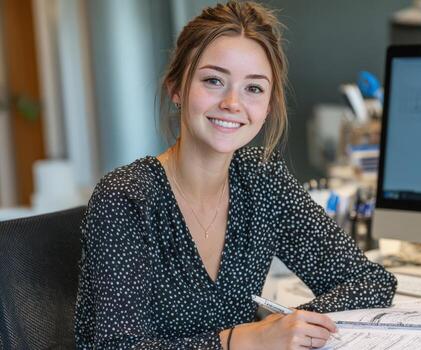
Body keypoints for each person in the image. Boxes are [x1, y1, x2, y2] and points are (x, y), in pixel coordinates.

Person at [74, 1, 397, 349]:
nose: (232, 103)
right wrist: (242, 340)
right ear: (176, 89)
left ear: (269, 104)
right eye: (213, 81)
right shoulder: (126, 197)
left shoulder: (260, 180)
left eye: (253, 88)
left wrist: (287, 327)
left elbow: (370, 280)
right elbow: (117, 346)